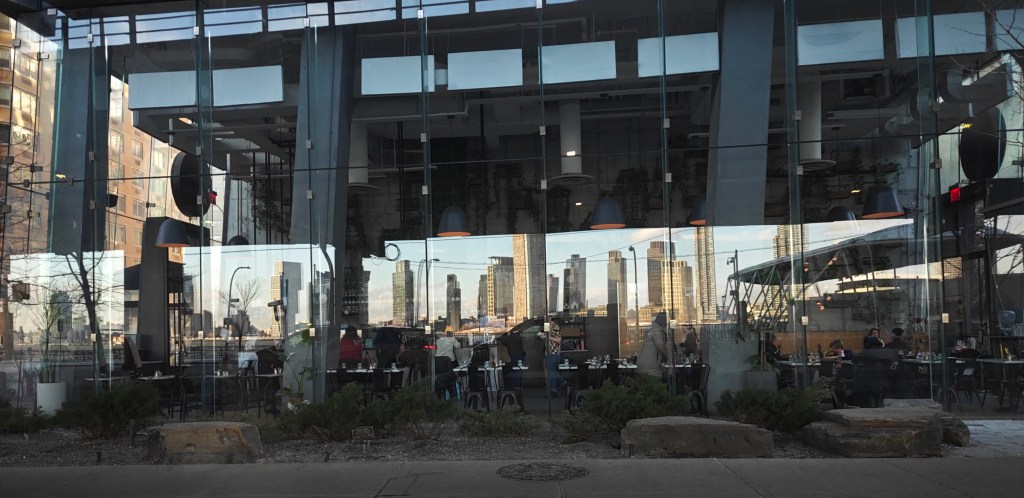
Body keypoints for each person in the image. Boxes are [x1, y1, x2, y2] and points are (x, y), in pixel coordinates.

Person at [636, 312, 669, 378]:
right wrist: (668, 355)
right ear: (663, 321)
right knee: (656, 381)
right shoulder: (656, 330)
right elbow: (660, 345)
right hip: (650, 366)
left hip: (645, 364)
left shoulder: (652, 328)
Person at [537, 320, 564, 397]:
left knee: (552, 372)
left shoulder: (555, 326)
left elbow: (558, 340)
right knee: (550, 373)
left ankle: (560, 383)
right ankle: (553, 390)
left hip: (554, 352)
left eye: (545, 316)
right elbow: (546, 337)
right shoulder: (546, 325)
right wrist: (542, 336)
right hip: (548, 353)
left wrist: (547, 337)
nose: (544, 318)